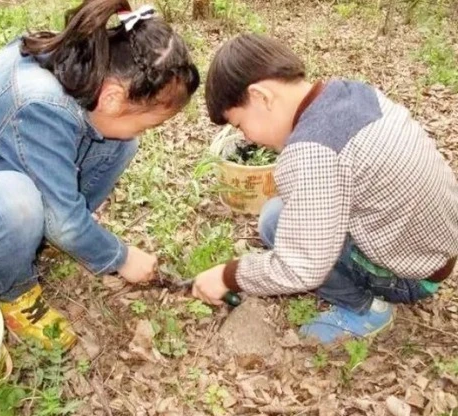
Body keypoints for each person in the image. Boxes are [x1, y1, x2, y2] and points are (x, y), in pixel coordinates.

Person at [0, 0, 199, 349]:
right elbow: (65, 219)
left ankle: (43, 236)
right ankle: (12, 293)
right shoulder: (40, 103)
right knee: (18, 203)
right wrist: (121, 256)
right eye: (148, 123)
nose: (144, 132)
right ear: (114, 97)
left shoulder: (76, 66)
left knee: (119, 143)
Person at [192, 33, 458, 344]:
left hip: (410, 275)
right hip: (436, 252)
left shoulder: (311, 149)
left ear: (261, 97)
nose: (247, 138)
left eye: (240, 124)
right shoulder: (351, 93)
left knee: (275, 223)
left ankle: (366, 310)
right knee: (282, 213)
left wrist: (227, 276)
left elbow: (301, 267)